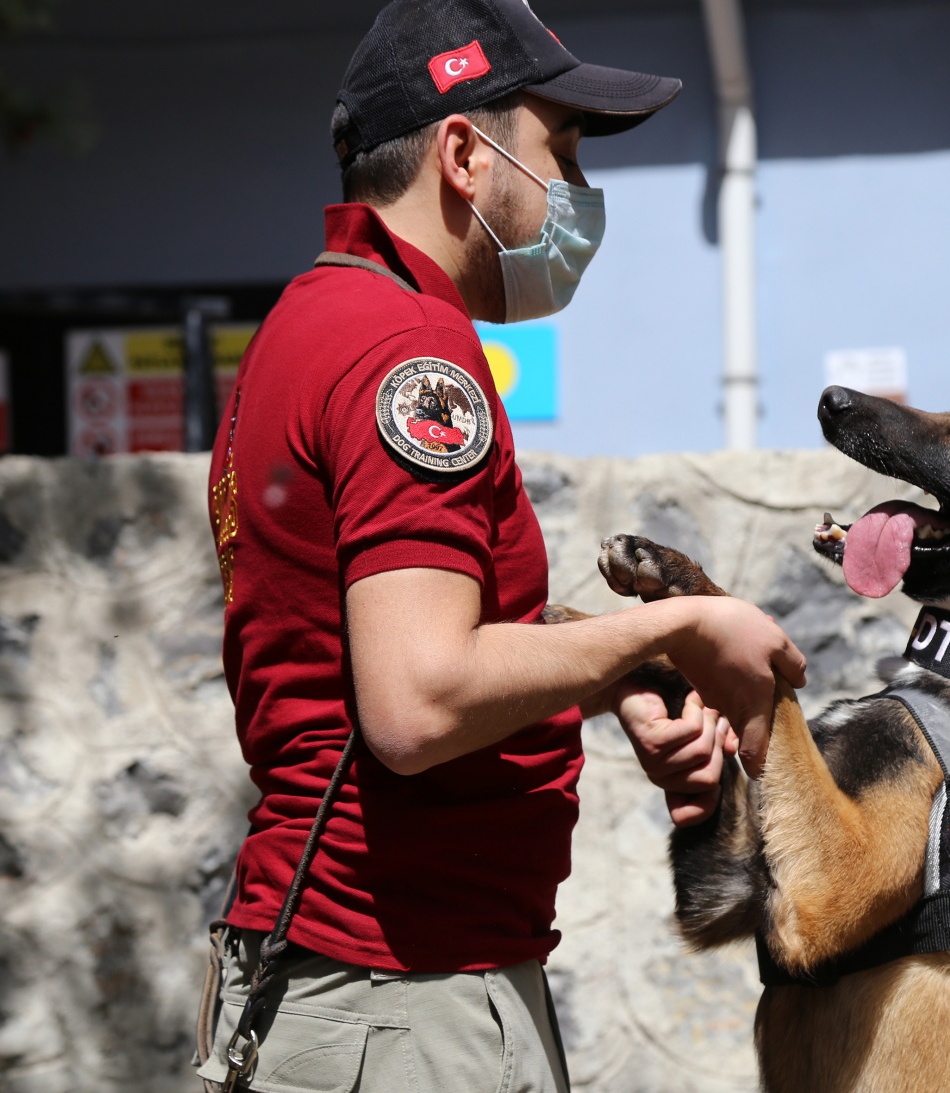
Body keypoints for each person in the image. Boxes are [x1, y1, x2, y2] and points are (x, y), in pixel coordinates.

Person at [195, 2, 806, 1091]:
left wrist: (618, 671)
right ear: (466, 155)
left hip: (348, 985)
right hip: (404, 1002)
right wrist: (679, 620)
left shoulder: (310, 320)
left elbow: (376, 666)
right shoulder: (409, 348)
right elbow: (418, 699)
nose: (575, 189)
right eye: (560, 147)